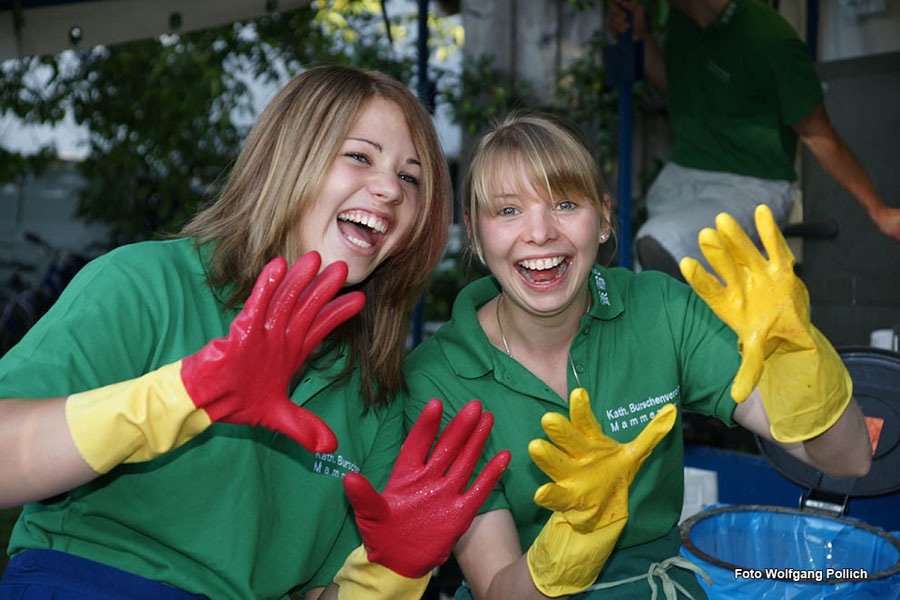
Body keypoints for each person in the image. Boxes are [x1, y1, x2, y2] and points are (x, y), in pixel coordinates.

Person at [0, 65, 509, 600]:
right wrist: (182, 395)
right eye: (360, 156)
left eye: (411, 177)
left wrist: (390, 576)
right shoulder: (146, 282)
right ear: (288, 159)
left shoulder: (374, 392)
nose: (389, 190)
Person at [402, 112, 872, 598]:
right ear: (474, 234)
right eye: (507, 211)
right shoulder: (435, 381)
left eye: (564, 203)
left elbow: (849, 458)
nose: (539, 232)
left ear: (604, 217)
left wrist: (802, 364)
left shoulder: (660, 309)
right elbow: (498, 588)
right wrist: (579, 536)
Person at [607, 0, 900, 279]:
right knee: (655, 271)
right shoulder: (683, 20)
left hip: (751, 187)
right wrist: (641, 35)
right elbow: (676, 88)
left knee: (660, 241)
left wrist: (879, 212)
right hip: (682, 179)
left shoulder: (768, 37)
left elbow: (818, 133)